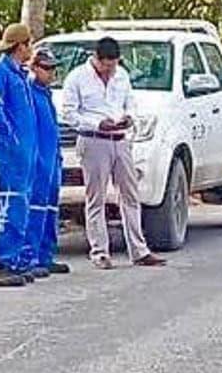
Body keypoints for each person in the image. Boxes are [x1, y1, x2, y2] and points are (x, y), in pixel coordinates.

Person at [62, 37, 165, 269]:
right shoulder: (77, 77)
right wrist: (97, 123)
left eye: (114, 66)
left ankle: (139, 250)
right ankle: (100, 251)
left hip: (120, 140)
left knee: (130, 194)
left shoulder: (122, 76)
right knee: (95, 197)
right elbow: (69, 114)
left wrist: (129, 117)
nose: (110, 71)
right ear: (96, 59)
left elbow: (130, 103)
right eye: (106, 66)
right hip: (94, 140)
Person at [0, 23, 44, 287]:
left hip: (25, 154)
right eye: (29, 44)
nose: (31, 49)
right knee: (13, 207)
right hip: (10, 155)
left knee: (22, 207)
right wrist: (12, 140)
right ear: (20, 46)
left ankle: (15, 259)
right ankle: (0, 261)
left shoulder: (19, 74)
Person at [19, 48, 71, 275]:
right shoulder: (29, 93)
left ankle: (45, 254)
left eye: (53, 68)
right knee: (36, 208)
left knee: (50, 208)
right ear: (34, 68)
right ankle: (30, 258)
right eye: (47, 68)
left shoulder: (46, 94)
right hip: (38, 160)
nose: (51, 73)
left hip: (52, 159)